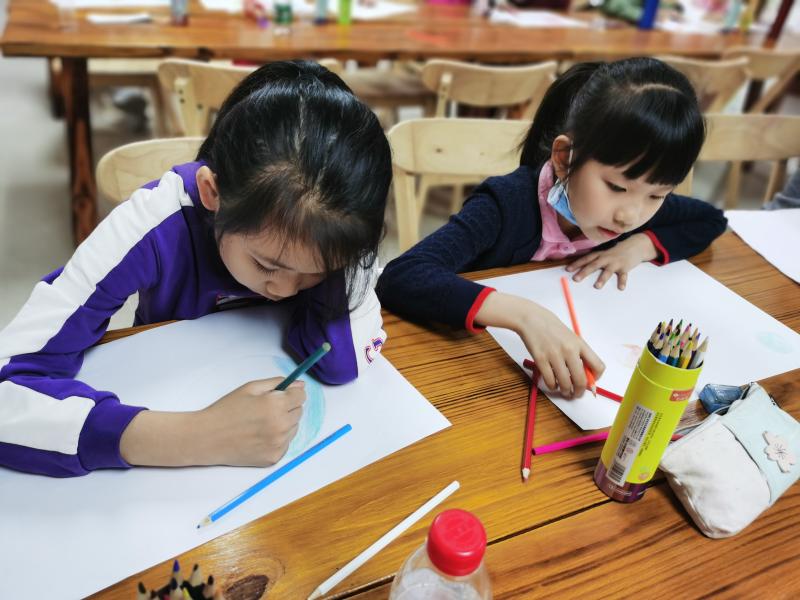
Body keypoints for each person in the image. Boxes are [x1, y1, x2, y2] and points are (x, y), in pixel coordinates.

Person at [0, 61, 392, 478]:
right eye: (266, 265)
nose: (285, 290)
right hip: (162, 399)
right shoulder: (153, 225)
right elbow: (8, 393)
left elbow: (343, 362)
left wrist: (339, 263)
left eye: (315, 273)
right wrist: (195, 436)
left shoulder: (339, 240)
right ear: (212, 193)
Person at [377, 57, 727, 399]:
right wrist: (526, 315)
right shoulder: (505, 205)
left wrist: (638, 246)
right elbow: (401, 275)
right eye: (616, 187)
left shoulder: (632, 215)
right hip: (468, 369)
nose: (630, 216)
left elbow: (710, 220)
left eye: (657, 195)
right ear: (563, 158)